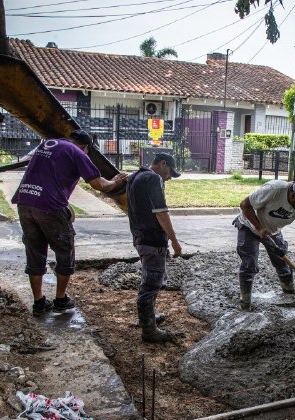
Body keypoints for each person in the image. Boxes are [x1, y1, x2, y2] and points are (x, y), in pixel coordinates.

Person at [12, 129, 128, 316]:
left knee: (35, 252)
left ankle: (39, 303)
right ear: (85, 147)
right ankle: (60, 299)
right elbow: (101, 185)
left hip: (24, 202)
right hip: (49, 207)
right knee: (65, 250)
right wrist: (116, 180)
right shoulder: (77, 152)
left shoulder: (47, 144)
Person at [233, 179, 295, 310]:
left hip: (272, 231)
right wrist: (259, 228)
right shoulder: (274, 190)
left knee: (282, 262)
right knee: (249, 263)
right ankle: (245, 302)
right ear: (293, 195)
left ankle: (289, 295)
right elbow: (244, 205)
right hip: (248, 226)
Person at [126, 153, 183, 343]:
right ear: (162, 164)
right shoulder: (153, 177)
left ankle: (148, 317)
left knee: (152, 279)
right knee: (151, 284)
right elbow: (161, 212)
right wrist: (174, 241)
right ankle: (149, 331)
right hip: (152, 240)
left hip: (141, 237)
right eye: (170, 173)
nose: (169, 177)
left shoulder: (135, 176)